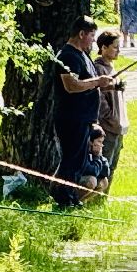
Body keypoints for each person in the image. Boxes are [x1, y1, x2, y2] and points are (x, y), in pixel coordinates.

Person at [51, 16, 118, 208]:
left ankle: (71, 198)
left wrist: (107, 85)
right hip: (71, 118)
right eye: (91, 35)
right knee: (71, 160)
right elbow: (71, 86)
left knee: (79, 161)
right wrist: (98, 81)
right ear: (81, 34)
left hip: (84, 118)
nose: (93, 40)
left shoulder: (83, 55)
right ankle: (63, 199)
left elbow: (88, 84)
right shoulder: (68, 56)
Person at [94, 30, 127, 182]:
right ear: (103, 47)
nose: (118, 50)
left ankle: (104, 196)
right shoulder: (98, 69)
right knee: (103, 168)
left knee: (112, 167)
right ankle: (95, 194)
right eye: (115, 47)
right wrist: (110, 118)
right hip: (108, 128)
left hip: (118, 128)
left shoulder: (112, 68)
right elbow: (99, 98)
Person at [79, 126, 112, 198]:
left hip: (84, 177)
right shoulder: (82, 151)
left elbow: (106, 173)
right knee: (91, 181)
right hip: (72, 180)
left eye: (102, 142)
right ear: (90, 141)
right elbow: (93, 171)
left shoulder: (94, 152)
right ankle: (71, 201)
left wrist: (99, 156)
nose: (101, 145)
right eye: (99, 141)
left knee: (104, 181)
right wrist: (97, 157)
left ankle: (81, 201)